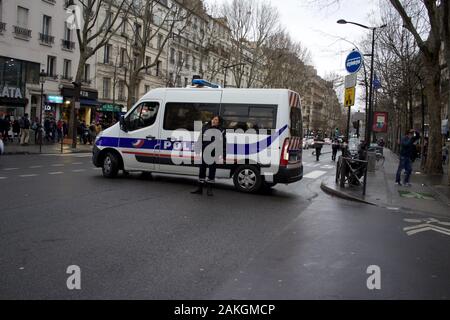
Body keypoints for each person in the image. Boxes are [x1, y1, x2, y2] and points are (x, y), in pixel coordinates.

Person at [191, 115, 227, 196]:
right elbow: (200, 139)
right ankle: (199, 189)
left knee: (212, 171)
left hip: (215, 154)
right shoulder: (205, 128)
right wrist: (197, 149)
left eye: (216, 120)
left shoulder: (222, 130)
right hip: (205, 152)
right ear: (211, 120)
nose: (214, 121)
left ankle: (209, 190)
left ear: (219, 122)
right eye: (213, 119)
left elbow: (224, 144)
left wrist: (224, 156)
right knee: (202, 170)